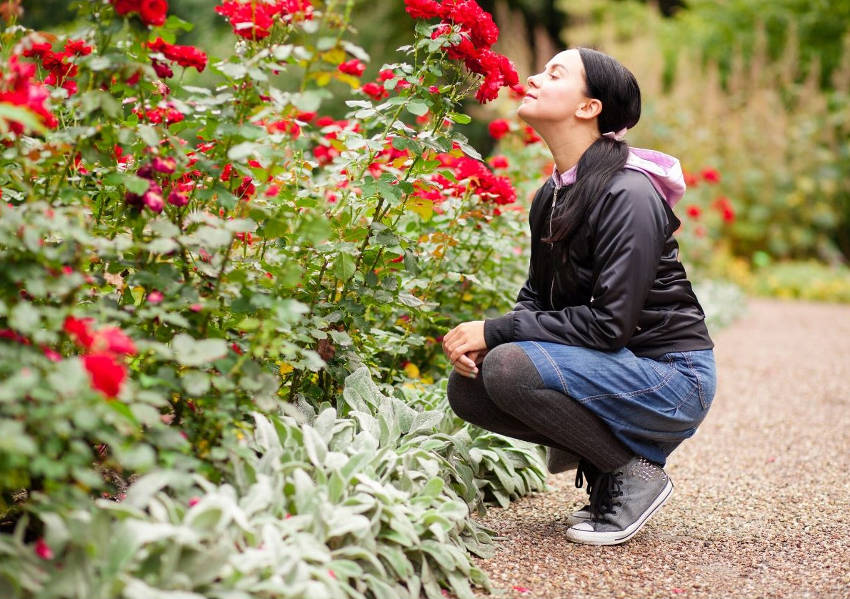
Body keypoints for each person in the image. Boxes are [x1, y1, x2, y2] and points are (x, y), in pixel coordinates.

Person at [442, 47, 716, 546]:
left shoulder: (628, 194)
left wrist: (498, 332)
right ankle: (614, 469)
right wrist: (494, 337)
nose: (532, 77)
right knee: (472, 386)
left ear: (589, 107)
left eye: (554, 74)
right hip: (616, 365)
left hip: (672, 377)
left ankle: (632, 477)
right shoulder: (554, 194)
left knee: (507, 365)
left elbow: (610, 326)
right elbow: (536, 296)